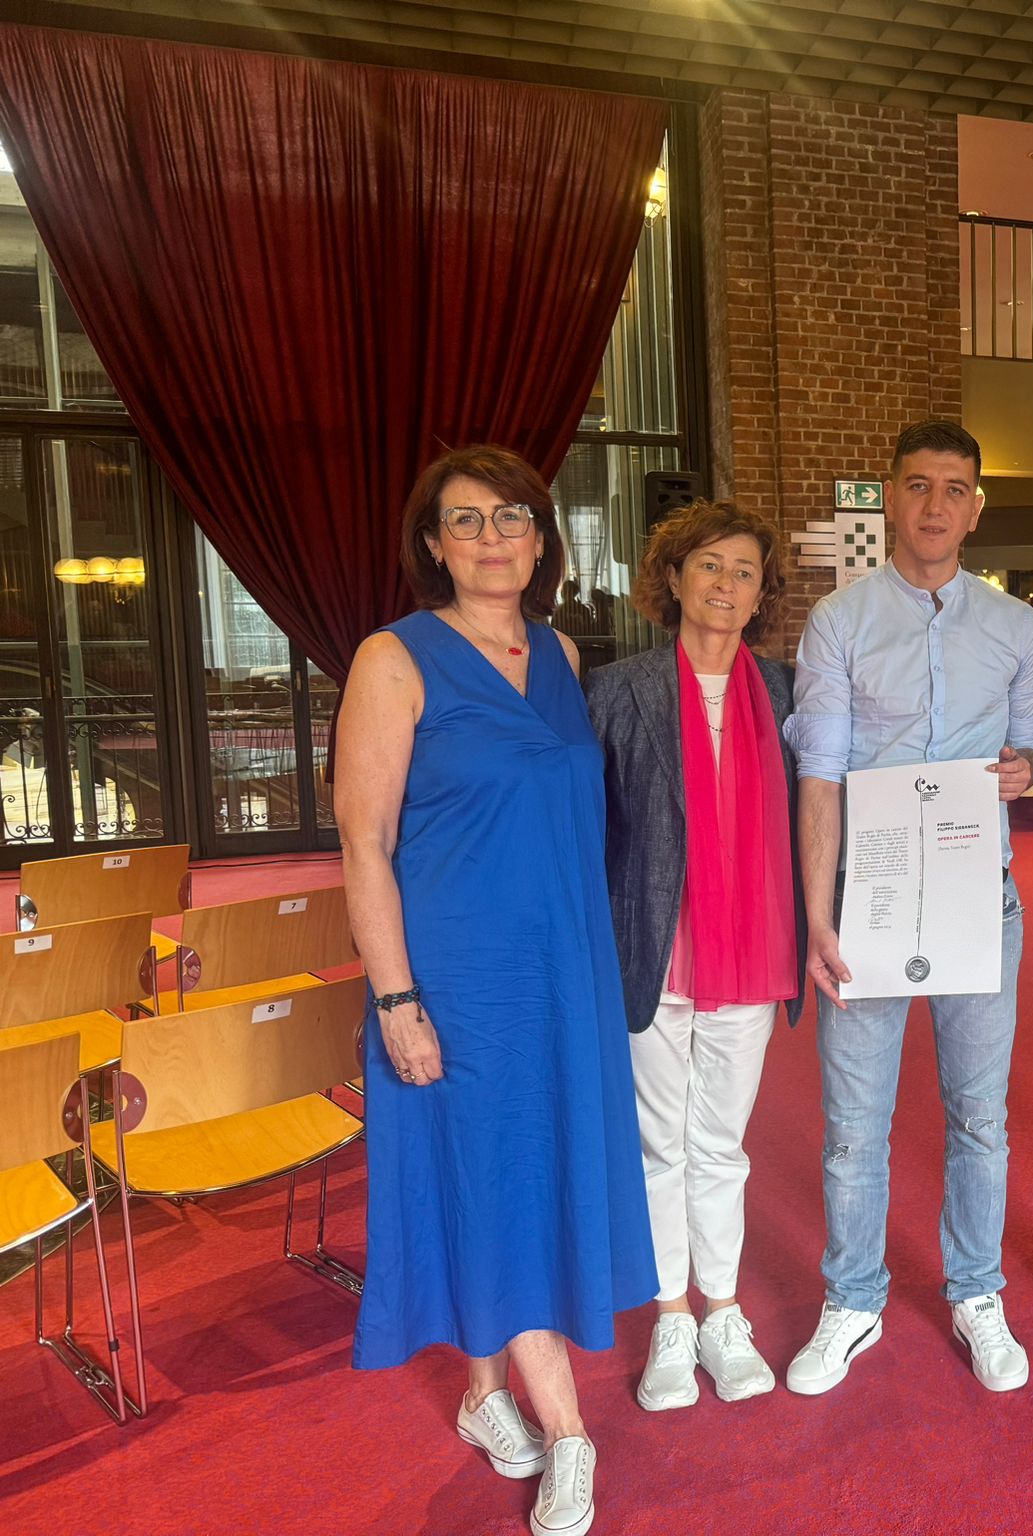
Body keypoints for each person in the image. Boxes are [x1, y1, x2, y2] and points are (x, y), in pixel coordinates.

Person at [337, 444, 655, 1536]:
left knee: (506, 1178)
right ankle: (569, 1431)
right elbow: (365, 843)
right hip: (458, 975)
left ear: (540, 537)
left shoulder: (560, 651)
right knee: (504, 1180)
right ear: (433, 544)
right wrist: (395, 998)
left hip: (563, 971)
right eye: (466, 520)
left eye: (511, 516)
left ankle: (482, 1394)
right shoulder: (393, 658)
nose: (491, 538)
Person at [782, 419, 1033, 1397]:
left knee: (980, 1115)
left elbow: (1025, 754)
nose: (937, 505)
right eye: (920, 485)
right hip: (872, 897)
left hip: (980, 897)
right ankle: (853, 1298)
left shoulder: (1014, 627)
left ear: (976, 507)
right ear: (890, 496)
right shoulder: (839, 622)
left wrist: (1024, 769)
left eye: (955, 489)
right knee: (855, 1121)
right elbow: (819, 775)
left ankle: (977, 1290)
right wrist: (819, 914)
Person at [586, 500, 804, 1414]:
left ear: (761, 594)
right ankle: (671, 1315)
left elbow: (823, 807)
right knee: (657, 1144)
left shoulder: (789, 693)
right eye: (709, 565)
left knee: (720, 1143)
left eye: (745, 571)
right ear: (672, 579)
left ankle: (723, 1310)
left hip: (753, 948)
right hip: (653, 947)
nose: (726, 583)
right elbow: (591, 828)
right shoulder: (617, 689)